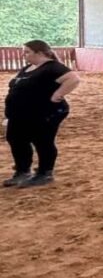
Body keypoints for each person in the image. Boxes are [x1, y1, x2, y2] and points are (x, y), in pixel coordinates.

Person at [3, 40, 80, 187]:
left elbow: (73, 79)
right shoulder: (28, 68)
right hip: (20, 114)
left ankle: (45, 173)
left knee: (42, 141)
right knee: (16, 139)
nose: (23, 55)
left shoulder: (52, 67)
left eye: (27, 52)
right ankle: (22, 171)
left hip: (44, 112)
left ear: (39, 53)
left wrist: (57, 95)